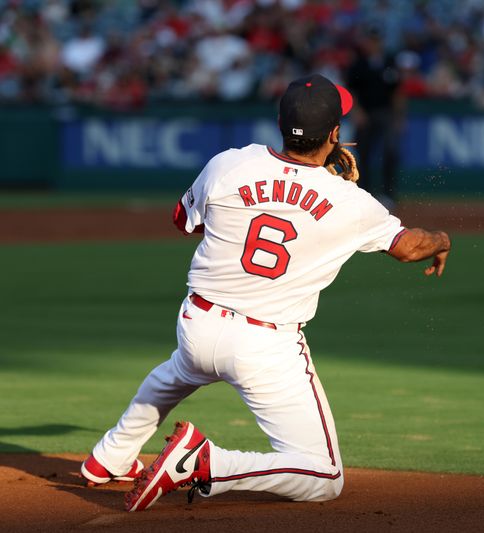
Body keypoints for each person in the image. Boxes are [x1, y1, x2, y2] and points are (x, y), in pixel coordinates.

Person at [79, 74, 451, 511]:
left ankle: (111, 456)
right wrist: (443, 239)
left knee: (176, 373)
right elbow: (409, 247)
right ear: (335, 134)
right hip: (264, 346)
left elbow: (185, 222)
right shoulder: (350, 201)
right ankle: (206, 462)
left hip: (197, 322)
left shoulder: (229, 164)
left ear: (279, 121)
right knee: (325, 476)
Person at [346, 28, 402, 208]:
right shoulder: (359, 63)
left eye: (376, 40)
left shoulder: (389, 62)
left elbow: (398, 92)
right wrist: (356, 111)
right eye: (371, 40)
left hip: (385, 113)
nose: (373, 44)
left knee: (389, 153)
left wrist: (398, 116)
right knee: (362, 154)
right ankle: (364, 193)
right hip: (365, 113)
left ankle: (388, 195)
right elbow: (351, 90)